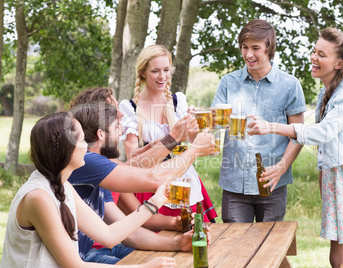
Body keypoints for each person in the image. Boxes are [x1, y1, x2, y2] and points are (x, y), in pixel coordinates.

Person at [247, 28, 343, 268]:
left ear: (338, 63)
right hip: (336, 176)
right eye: (314, 51)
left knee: (341, 258)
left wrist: (272, 127)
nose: (313, 57)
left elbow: (322, 133)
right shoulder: (328, 91)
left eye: (321, 54)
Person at [0, 112, 177, 267]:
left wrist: (155, 202)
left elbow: (108, 235)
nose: (87, 146)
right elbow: (74, 265)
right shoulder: (38, 196)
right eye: (83, 140)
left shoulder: (63, 186)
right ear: (66, 148)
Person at [68, 99, 214, 264]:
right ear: (101, 134)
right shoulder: (88, 162)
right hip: (82, 259)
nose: (121, 131)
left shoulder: (100, 169)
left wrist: (177, 243)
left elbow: (128, 233)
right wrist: (195, 150)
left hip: (96, 250)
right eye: (117, 127)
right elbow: (155, 178)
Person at [210, 19, 307, 223]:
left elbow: (298, 134)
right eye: (245, 47)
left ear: (269, 48)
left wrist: (282, 167)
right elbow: (215, 124)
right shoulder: (228, 82)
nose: (249, 54)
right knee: (235, 248)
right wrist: (206, 117)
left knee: (270, 250)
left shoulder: (290, 85)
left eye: (256, 48)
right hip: (234, 184)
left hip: (272, 184)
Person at [119, 44, 218, 222]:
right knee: (159, 241)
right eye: (155, 71)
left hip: (184, 180)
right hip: (151, 185)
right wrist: (174, 135)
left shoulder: (178, 101)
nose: (162, 76)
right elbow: (133, 161)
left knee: (194, 237)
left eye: (166, 69)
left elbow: (195, 141)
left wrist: (198, 123)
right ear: (142, 72)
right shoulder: (130, 108)